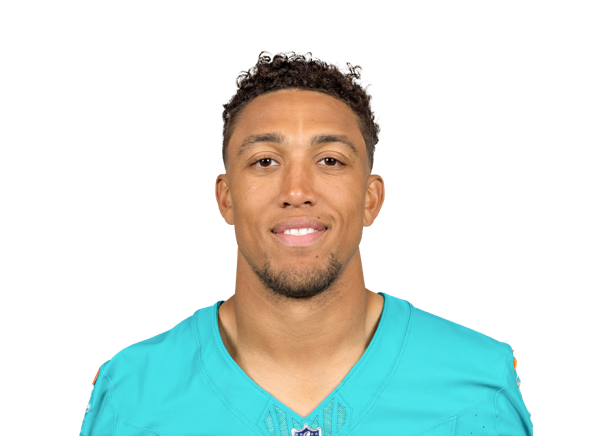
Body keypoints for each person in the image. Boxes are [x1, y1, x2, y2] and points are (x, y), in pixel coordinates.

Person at [80, 48, 533, 435]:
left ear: (371, 199)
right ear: (225, 197)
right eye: (265, 161)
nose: (296, 191)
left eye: (330, 160)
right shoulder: (131, 395)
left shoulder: (480, 390)